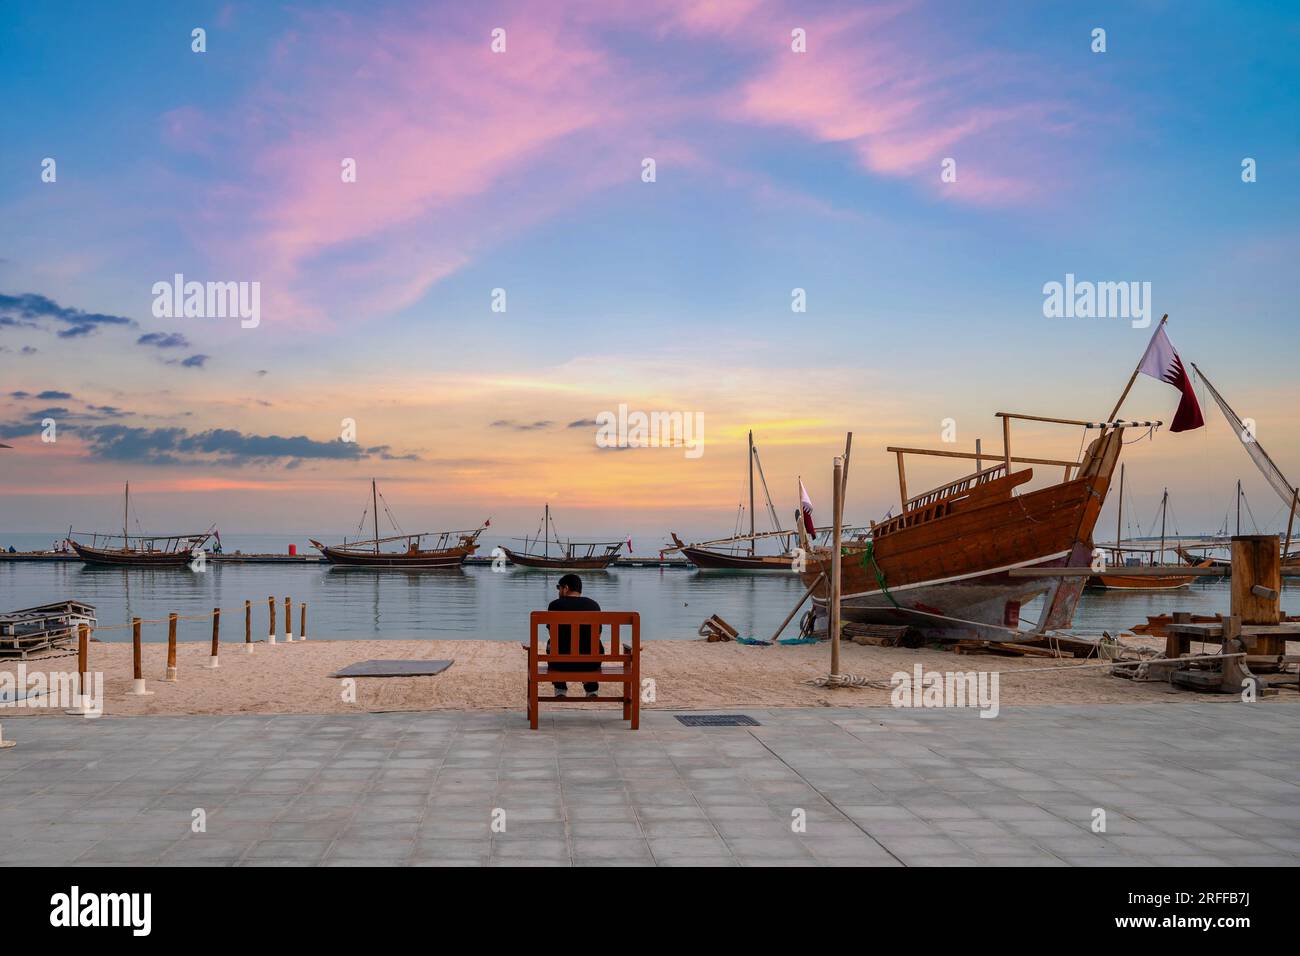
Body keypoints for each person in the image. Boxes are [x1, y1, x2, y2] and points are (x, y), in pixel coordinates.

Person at [546, 573, 603, 699]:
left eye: (558, 588)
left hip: (560, 664)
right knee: (593, 643)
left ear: (565, 588)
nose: (558, 591)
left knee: (552, 642)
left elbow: (552, 634)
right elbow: (598, 633)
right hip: (591, 664)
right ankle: (591, 688)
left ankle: (560, 689)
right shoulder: (594, 606)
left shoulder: (555, 605)